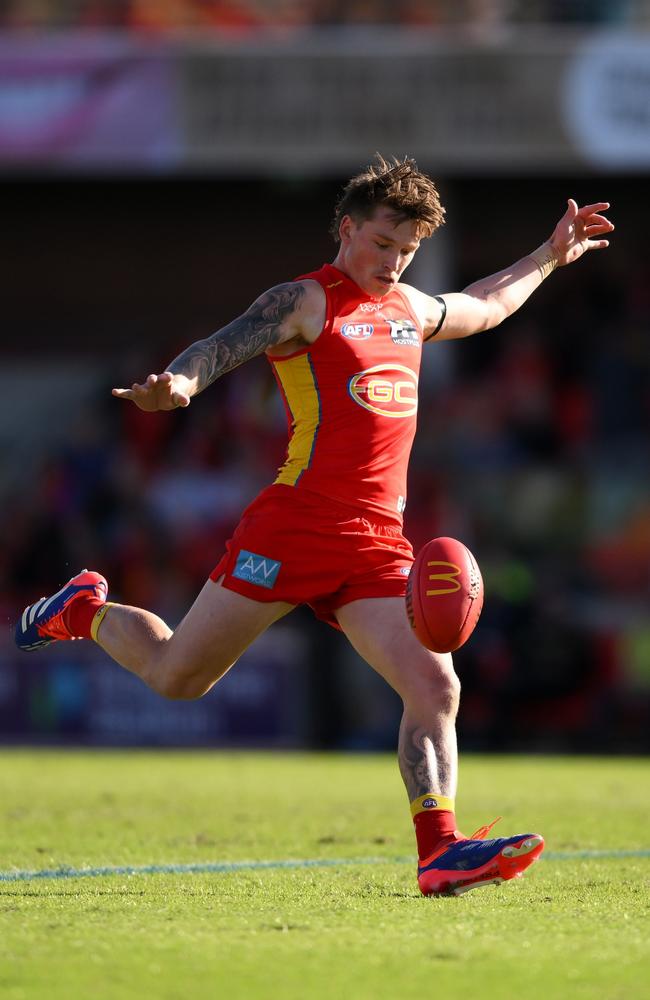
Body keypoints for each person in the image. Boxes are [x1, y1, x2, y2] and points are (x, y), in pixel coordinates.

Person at [14, 156, 613, 896]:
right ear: (348, 228)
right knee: (177, 679)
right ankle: (83, 611)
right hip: (293, 528)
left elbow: (484, 303)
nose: (393, 262)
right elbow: (226, 344)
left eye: (407, 251)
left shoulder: (410, 310)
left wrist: (549, 256)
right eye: (383, 243)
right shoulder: (305, 300)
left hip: (374, 544)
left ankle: (440, 849)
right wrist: (181, 381)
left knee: (436, 684)